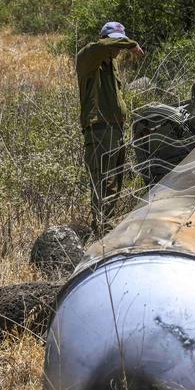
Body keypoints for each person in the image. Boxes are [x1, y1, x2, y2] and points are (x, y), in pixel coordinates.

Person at [76, 20, 144, 233]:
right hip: (99, 130)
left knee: (114, 181)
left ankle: (107, 227)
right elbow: (100, 47)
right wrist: (130, 44)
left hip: (115, 129)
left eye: (119, 44)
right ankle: (102, 230)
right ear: (104, 39)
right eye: (115, 44)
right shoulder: (89, 56)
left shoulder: (110, 62)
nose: (117, 49)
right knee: (103, 182)